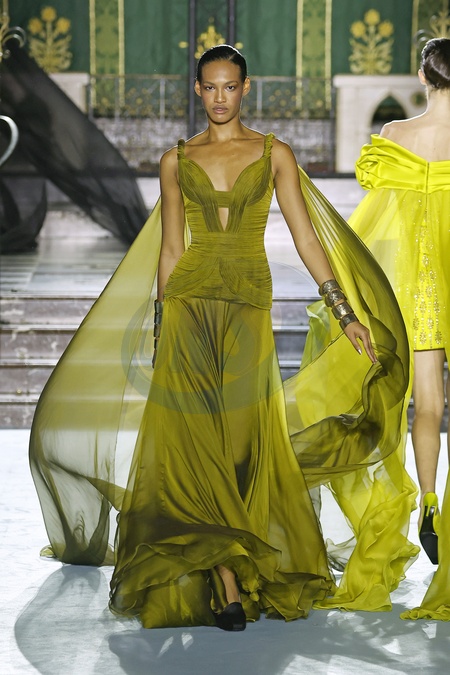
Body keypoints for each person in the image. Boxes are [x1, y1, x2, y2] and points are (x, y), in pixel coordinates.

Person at [29, 45, 418, 630]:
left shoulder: (274, 154)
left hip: (247, 309)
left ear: (245, 88)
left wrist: (345, 312)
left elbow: (307, 238)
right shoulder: (176, 160)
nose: (219, 97)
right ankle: (227, 582)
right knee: (197, 440)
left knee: (240, 443)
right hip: (188, 307)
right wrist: (162, 326)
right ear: (197, 89)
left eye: (229, 87)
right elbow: (170, 249)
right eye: (209, 87)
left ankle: (232, 559)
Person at [347, 38, 450, 619]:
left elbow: (377, 222)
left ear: (422, 76)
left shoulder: (396, 136)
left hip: (413, 289)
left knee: (420, 406)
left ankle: (427, 501)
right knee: (436, 405)